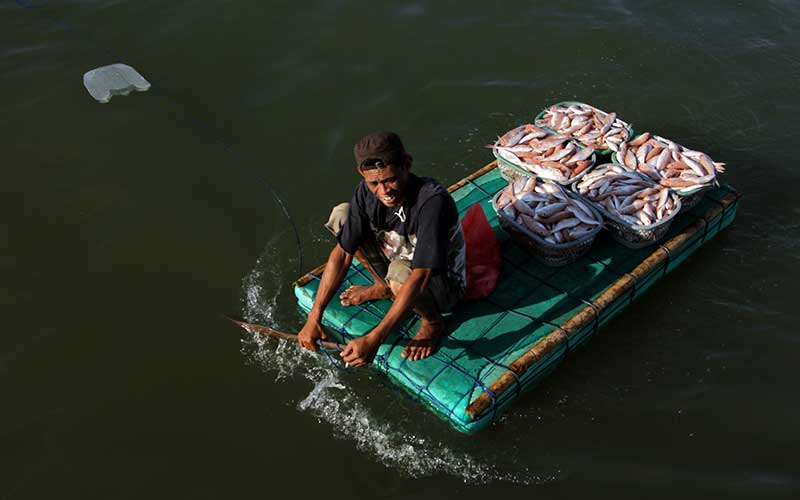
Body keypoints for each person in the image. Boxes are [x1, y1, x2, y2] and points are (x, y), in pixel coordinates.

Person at [297, 132, 466, 367]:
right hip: (399, 256)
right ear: (363, 176)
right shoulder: (366, 192)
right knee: (342, 216)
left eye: (390, 180)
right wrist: (314, 316)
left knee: (399, 273)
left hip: (441, 283)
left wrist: (374, 338)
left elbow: (423, 273)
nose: (384, 191)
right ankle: (382, 286)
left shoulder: (431, 202)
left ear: (407, 165)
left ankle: (432, 322)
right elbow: (343, 253)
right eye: (374, 183)